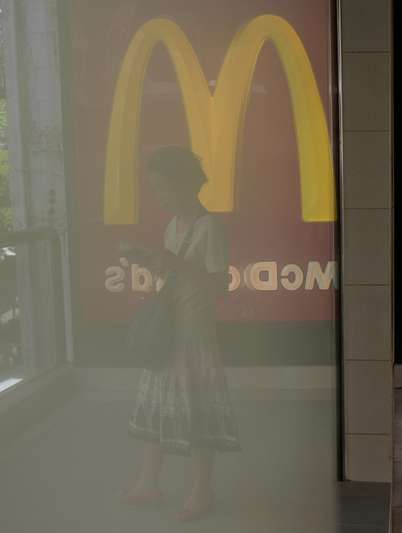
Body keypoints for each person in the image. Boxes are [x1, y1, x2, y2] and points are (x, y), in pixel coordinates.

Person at [120, 145, 241, 521]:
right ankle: (148, 481)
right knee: (157, 405)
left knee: (199, 410)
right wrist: (151, 260)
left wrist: (174, 265)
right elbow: (173, 276)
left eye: (165, 188)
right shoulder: (173, 226)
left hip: (194, 334)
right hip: (170, 328)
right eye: (157, 189)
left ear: (188, 185)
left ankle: (201, 490)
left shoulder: (209, 227)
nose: (161, 197)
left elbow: (220, 284)